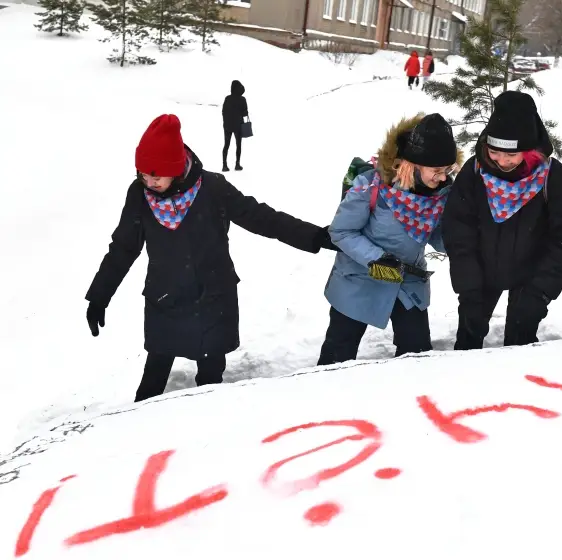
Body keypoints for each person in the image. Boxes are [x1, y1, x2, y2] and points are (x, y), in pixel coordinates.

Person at [85, 114, 336, 402]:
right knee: (152, 382)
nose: (149, 181)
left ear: (176, 168)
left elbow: (263, 219)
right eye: (143, 174)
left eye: (156, 174)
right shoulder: (139, 196)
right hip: (165, 297)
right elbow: (123, 247)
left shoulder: (213, 189)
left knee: (210, 383)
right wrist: (100, 296)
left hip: (212, 297)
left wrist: (316, 237)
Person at [442, 91, 562, 350]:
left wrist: (540, 292)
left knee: (520, 344)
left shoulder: (552, 177)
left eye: (511, 155)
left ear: (529, 151)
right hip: (480, 274)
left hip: (530, 278)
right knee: (468, 338)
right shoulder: (475, 172)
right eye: (495, 152)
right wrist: (469, 289)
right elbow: (458, 231)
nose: (502, 161)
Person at [318, 113, 462, 365]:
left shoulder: (440, 194)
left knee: (417, 355)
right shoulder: (371, 187)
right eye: (436, 171)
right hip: (360, 280)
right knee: (338, 355)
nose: (442, 177)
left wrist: (461, 240)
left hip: (407, 282)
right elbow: (341, 232)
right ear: (411, 165)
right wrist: (379, 260)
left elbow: (438, 237)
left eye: (447, 170)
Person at [221, 79, 248, 172]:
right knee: (238, 145)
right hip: (238, 126)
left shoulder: (227, 98)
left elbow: (223, 111)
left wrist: (226, 122)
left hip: (227, 125)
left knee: (226, 145)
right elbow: (245, 113)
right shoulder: (242, 99)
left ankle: (224, 165)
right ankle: (237, 164)